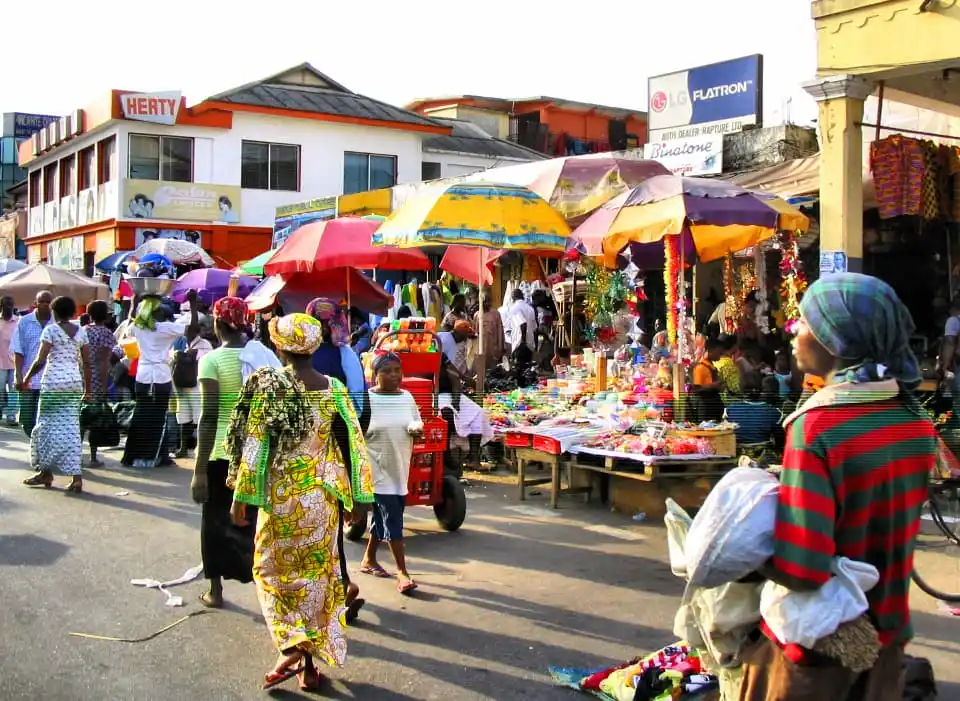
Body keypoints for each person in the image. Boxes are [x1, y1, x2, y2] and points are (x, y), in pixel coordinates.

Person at [738, 272, 936, 701]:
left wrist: (744, 556)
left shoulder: (817, 427)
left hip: (819, 645)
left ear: (837, 339)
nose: (794, 331)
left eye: (806, 322)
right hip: (887, 633)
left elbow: (804, 568)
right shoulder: (915, 421)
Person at [225, 313, 374, 690]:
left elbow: (257, 446)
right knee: (315, 583)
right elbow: (354, 445)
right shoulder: (335, 389)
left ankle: (290, 646)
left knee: (269, 572)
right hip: (322, 503)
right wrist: (361, 499)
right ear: (315, 345)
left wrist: (242, 497)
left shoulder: (272, 389)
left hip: (281, 500)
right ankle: (309, 667)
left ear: (279, 346)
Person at [191, 297, 254, 609]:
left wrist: (199, 470)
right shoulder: (261, 358)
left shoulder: (212, 361)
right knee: (252, 523)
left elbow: (210, 416)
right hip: (255, 455)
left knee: (214, 523)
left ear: (217, 324)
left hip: (221, 455)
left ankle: (215, 591)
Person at [360, 352, 422, 593]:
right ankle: (402, 573)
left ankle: (368, 560)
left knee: (384, 516)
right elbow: (358, 436)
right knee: (393, 520)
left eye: (398, 370)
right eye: (387, 371)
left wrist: (417, 430)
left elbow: (415, 421)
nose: (395, 375)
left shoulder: (406, 397)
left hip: (400, 467)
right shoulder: (366, 400)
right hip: (377, 470)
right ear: (375, 375)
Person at [21, 296, 92, 493]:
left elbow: (40, 360)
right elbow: (86, 363)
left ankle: (46, 473)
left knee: (45, 427)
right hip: (73, 383)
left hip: (53, 383)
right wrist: (88, 390)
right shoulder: (81, 333)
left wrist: (26, 378)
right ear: (73, 313)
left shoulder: (50, 330)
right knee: (71, 428)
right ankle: (76, 477)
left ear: (54, 312)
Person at [121, 293, 197, 468]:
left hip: (143, 376)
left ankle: (136, 456)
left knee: (141, 416)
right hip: (161, 376)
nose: (163, 313)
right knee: (159, 417)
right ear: (155, 312)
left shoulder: (137, 327)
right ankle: (158, 456)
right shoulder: (165, 328)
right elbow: (192, 330)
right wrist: (192, 305)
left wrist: (133, 302)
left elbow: (131, 318)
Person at [11, 291, 53, 439]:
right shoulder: (24, 322)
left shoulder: (56, 323)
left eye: (48, 302)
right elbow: (18, 350)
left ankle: (41, 448)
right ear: (35, 303)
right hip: (27, 379)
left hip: (49, 380)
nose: (45, 305)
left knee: (45, 419)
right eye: (42, 301)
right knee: (27, 419)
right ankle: (34, 441)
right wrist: (18, 375)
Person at [84, 301, 119, 466]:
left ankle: (75, 454)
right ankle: (92, 456)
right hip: (97, 380)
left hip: (82, 377)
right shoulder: (106, 333)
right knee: (96, 420)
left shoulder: (82, 331)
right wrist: (105, 386)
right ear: (106, 316)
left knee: (81, 417)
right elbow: (104, 361)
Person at [171, 323, 213, 459]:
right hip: (180, 385)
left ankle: (200, 448)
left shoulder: (204, 344)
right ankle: (183, 448)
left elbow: (204, 358)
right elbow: (169, 357)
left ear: (198, 331)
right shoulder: (179, 342)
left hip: (195, 385)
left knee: (199, 418)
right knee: (183, 418)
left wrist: (187, 355)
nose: (187, 332)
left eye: (191, 329)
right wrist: (177, 355)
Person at [723, 375, 783, 448]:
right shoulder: (773, 412)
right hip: (763, 456)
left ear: (741, 389)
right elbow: (780, 441)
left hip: (736, 454)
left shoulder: (730, 410)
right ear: (762, 389)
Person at [691, 336, 725, 423]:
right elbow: (696, 389)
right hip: (705, 406)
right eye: (719, 352)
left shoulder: (712, 366)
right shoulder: (700, 367)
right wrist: (713, 386)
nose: (721, 355)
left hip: (713, 405)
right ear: (711, 350)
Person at [507, 289, 536, 386]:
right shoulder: (530, 308)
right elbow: (535, 328)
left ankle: (521, 393)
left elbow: (522, 323)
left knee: (519, 373)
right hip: (529, 344)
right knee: (528, 372)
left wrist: (523, 341)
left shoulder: (514, 308)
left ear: (513, 298)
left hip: (520, 345)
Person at [473, 292, 505, 375]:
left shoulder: (496, 314)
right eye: (485, 301)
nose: (487, 303)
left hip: (493, 347)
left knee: (493, 370)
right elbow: (475, 332)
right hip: (481, 347)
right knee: (482, 370)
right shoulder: (477, 315)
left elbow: (500, 331)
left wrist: (501, 347)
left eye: (489, 301)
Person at [0, 296, 19, 426]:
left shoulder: (18, 321)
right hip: (0, 362)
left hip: (15, 362)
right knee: (0, 390)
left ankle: (11, 416)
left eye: (11, 305)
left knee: (14, 391)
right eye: (6, 304)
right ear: (1, 305)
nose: (9, 307)